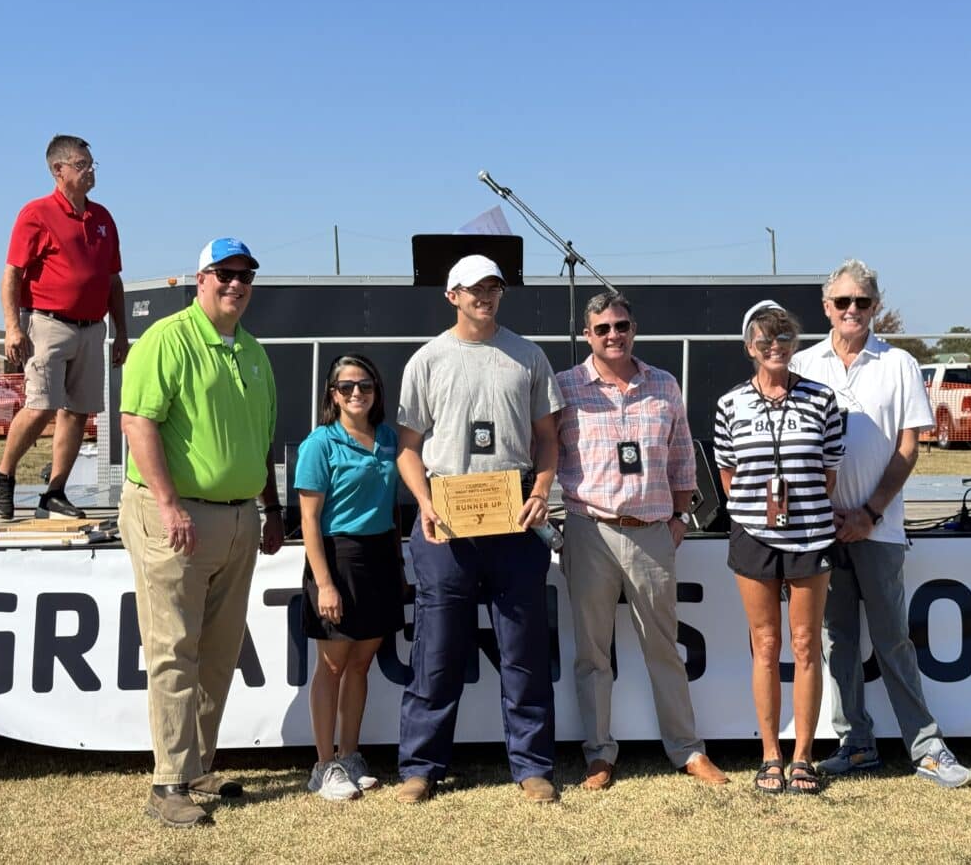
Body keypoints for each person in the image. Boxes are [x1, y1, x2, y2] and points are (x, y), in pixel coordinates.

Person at [118, 237, 284, 828]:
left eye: (245, 275)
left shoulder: (254, 352)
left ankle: (196, 765)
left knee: (218, 653)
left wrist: (271, 507)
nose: (236, 283)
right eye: (224, 273)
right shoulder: (167, 338)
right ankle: (167, 783)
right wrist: (168, 505)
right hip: (176, 515)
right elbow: (137, 421)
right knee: (173, 649)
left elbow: (262, 441)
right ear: (201, 279)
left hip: (239, 517)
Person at [791, 259, 971, 788]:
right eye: (842, 301)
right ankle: (855, 744)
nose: (852, 309)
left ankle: (927, 747)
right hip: (823, 530)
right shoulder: (803, 363)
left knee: (893, 639)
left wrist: (869, 513)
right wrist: (823, 513)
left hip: (880, 528)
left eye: (862, 301)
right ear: (826, 307)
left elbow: (908, 446)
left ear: (876, 306)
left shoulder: (899, 363)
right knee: (837, 640)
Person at [394, 254, 563, 804]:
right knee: (437, 652)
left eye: (493, 287)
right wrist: (424, 503)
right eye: (473, 289)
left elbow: (548, 439)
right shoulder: (427, 360)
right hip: (446, 521)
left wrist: (540, 492)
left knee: (523, 651)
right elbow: (408, 449)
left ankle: (533, 766)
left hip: (514, 518)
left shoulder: (528, 356)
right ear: (452, 296)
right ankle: (421, 767)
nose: (484, 296)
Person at [555, 292, 729, 790]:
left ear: (634, 329)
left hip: (652, 532)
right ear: (587, 335)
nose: (614, 335)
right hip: (590, 530)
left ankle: (687, 750)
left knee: (664, 648)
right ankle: (598, 754)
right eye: (603, 328)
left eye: (621, 326)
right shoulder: (565, 387)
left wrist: (679, 518)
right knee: (593, 653)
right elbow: (543, 454)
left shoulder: (664, 384)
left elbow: (682, 459)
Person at [714, 301, 843, 794]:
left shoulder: (822, 399)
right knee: (765, 645)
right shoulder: (730, 404)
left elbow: (829, 473)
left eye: (784, 338)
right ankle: (770, 754)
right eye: (765, 340)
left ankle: (804, 756)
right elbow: (728, 476)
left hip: (810, 534)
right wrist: (757, 512)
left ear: (795, 344)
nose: (775, 347)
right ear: (750, 347)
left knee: (806, 644)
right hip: (753, 534)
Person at [0, 134, 129, 520]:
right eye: (82, 165)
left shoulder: (103, 218)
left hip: (92, 328)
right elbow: (12, 274)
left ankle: (54, 493)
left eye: (91, 164)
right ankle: (2, 476)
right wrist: (12, 327)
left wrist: (121, 332)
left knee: (79, 411)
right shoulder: (36, 213)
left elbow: (112, 280)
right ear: (58, 170)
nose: (90, 171)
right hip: (48, 324)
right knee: (41, 405)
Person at [294, 354, 405, 801]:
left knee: (360, 664)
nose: (357, 393)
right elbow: (308, 519)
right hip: (338, 559)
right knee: (333, 666)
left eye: (365, 385)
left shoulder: (390, 439)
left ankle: (350, 755)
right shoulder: (320, 443)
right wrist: (324, 583)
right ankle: (324, 767)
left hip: (381, 558)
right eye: (347, 387)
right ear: (333, 394)